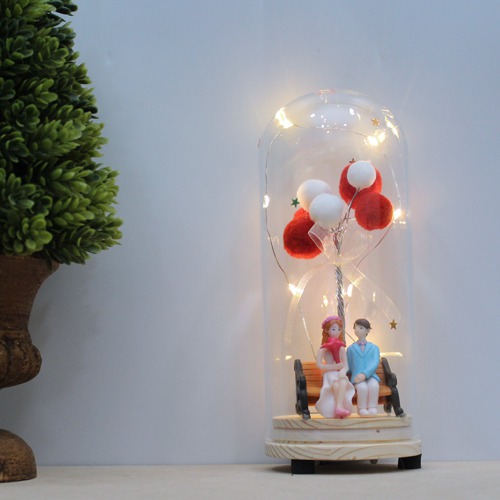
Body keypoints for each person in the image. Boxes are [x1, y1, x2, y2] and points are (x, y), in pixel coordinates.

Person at [315, 316, 354, 418]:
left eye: (339, 329)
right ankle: (339, 407)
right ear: (327, 330)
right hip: (329, 374)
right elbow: (319, 365)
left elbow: (346, 365)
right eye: (333, 329)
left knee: (342, 382)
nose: (337, 332)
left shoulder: (341, 347)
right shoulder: (323, 348)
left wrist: (343, 371)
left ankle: (339, 407)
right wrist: (335, 366)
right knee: (336, 384)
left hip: (339, 373)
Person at [347, 318, 380, 416]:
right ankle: (361, 408)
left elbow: (375, 362)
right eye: (355, 328)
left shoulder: (374, 348)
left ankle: (372, 407)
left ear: (367, 331)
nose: (357, 330)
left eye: (361, 328)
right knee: (362, 388)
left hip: (371, 375)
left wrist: (365, 374)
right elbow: (349, 363)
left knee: (374, 386)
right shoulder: (350, 348)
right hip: (357, 377)